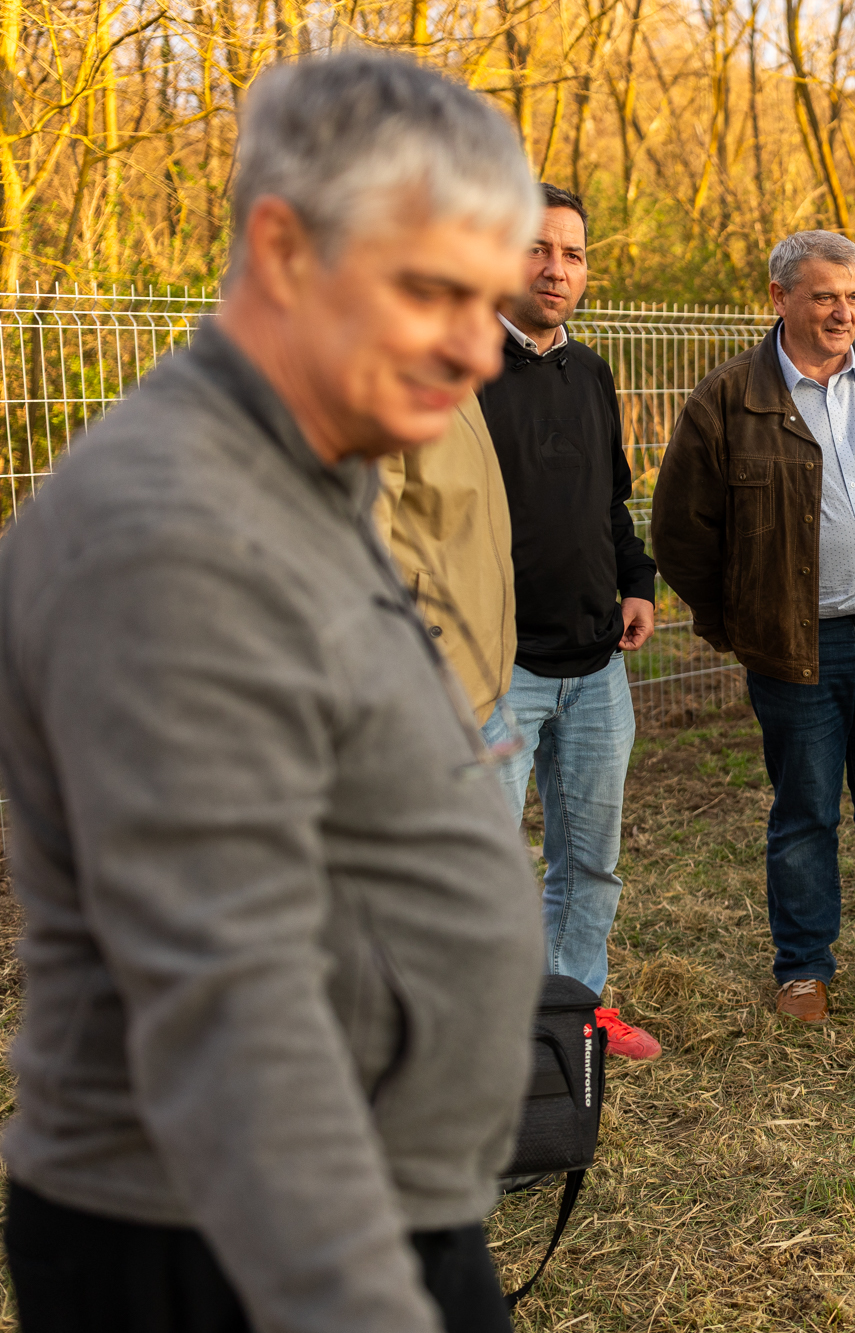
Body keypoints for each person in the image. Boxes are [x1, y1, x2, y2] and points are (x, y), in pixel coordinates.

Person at [0, 53, 544, 1331]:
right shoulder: (173, 536)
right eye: (432, 292)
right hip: (226, 1235)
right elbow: (229, 1019)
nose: (479, 349)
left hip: (353, 1193)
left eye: (489, 301)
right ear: (285, 249)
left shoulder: (303, 479)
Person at [651, 230, 855, 1024]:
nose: (843, 312)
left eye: (854, 296)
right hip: (798, 647)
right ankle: (803, 968)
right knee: (805, 812)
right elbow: (680, 533)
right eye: (825, 295)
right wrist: (739, 623)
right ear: (780, 297)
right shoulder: (728, 399)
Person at [477, 184, 663, 1061]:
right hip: (495, 672)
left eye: (573, 253)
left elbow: (609, 502)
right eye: (537, 248)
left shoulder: (590, 372)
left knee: (590, 862)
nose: (556, 269)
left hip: (596, 670)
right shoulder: (455, 373)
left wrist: (637, 581)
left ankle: (572, 1017)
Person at [374, 400, 515, 723]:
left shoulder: (462, 389)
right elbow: (359, 553)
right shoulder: (389, 390)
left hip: (475, 680)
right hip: (428, 684)